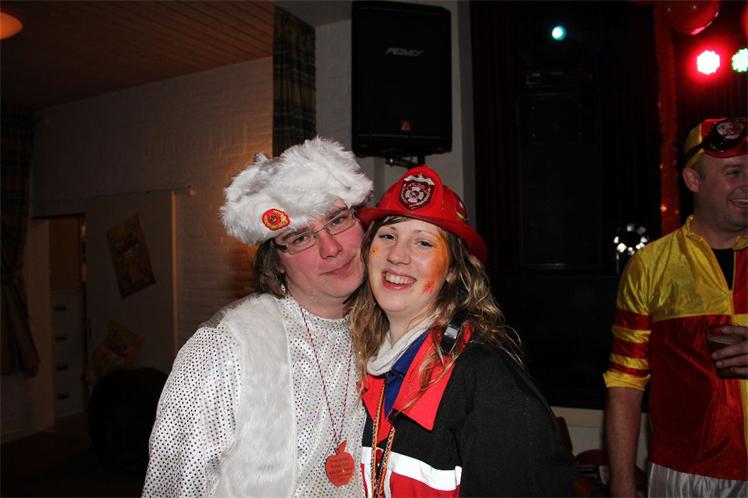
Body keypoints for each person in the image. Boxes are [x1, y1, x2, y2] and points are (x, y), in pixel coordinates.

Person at [143, 137, 373, 497]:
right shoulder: (224, 346)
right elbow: (172, 488)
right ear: (276, 261)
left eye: (338, 219)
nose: (331, 248)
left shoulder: (381, 331)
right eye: (300, 238)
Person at [349, 164, 575, 497]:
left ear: (453, 271)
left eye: (423, 243)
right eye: (388, 236)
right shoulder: (357, 366)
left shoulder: (489, 384)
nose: (397, 255)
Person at [604, 117, 748, 497]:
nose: (747, 184)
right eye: (734, 172)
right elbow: (625, 380)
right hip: (684, 477)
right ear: (693, 180)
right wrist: (622, 482)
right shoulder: (651, 266)